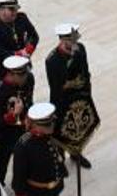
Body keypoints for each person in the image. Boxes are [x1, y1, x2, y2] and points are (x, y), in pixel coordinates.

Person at [45, 23, 95, 169]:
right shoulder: (52, 60)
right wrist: (74, 83)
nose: (75, 43)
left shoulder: (81, 49)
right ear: (63, 40)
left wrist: (87, 93)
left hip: (79, 97)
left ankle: (75, 153)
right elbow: (57, 86)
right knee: (60, 132)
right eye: (72, 40)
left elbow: (85, 72)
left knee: (77, 129)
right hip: (62, 100)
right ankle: (60, 160)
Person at [0, 55, 35, 184]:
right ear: (11, 74)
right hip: (5, 136)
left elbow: (29, 100)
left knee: (25, 162)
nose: (25, 78)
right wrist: (14, 114)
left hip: (23, 131)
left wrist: (28, 118)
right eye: (22, 76)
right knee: (0, 166)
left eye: (26, 74)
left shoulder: (29, 79)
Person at [12, 103, 69, 196]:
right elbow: (19, 178)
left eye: (51, 123)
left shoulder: (52, 134)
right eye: (47, 125)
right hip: (37, 192)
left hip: (55, 188)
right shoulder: (23, 146)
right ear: (35, 125)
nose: (51, 127)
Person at [0, 0, 39, 81]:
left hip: (23, 64)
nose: (15, 12)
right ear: (2, 10)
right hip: (5, 71)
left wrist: (28, 49)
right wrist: (17, 54)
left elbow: (34, 36)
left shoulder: (22, 18)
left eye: (16, 9)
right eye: (11, 10)